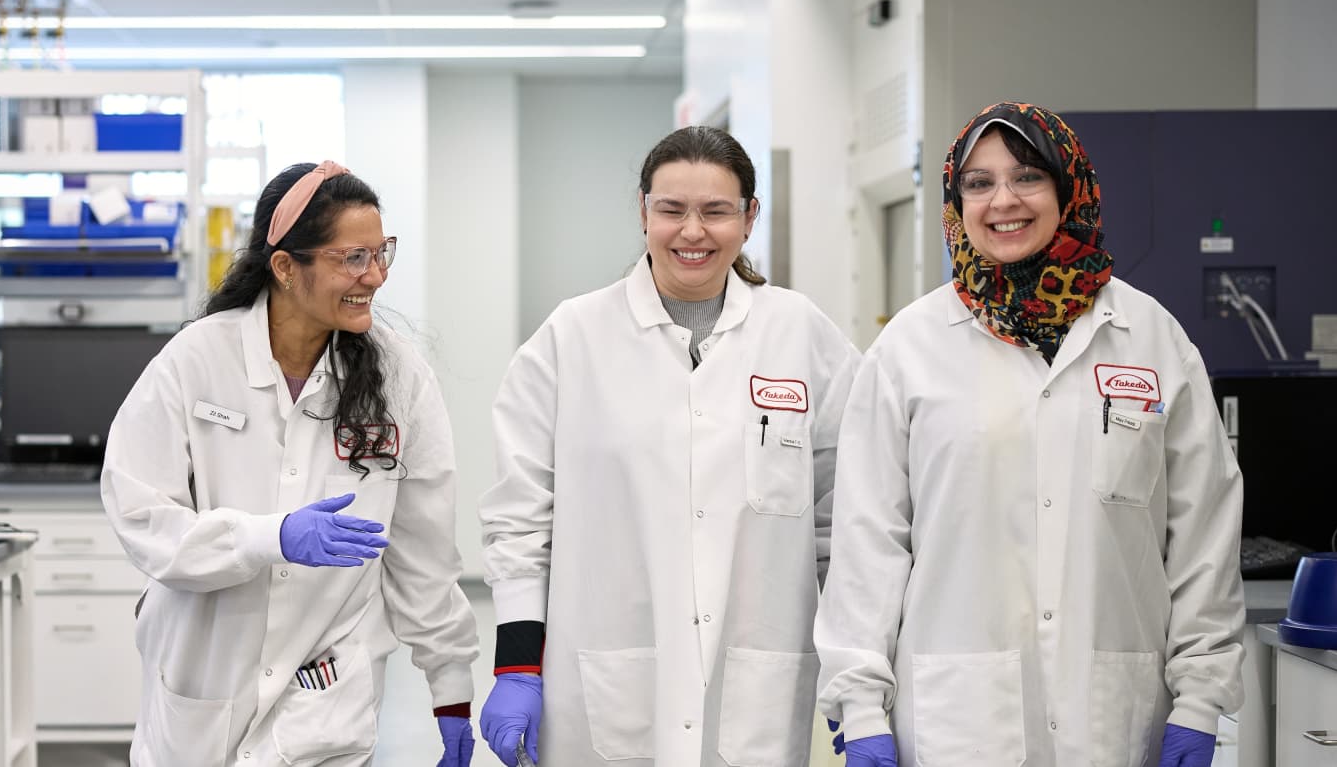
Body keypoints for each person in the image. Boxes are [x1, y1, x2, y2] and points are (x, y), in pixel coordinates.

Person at [815, 102, 1246, 767]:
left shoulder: (1151, 337)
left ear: (1069, 188)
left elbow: (1202, 533)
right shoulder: (908, 348)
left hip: (1113, 716)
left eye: (1027, 177)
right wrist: (861, 701)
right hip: (955, 722)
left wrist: (1199, 695)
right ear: (957, 202)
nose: (1003, 201)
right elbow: (869, 541)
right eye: (979, 183)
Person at [478, 126, 859, 766]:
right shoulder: (572, 338)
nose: (692, 232)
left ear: (749, 217)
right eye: (671, 210)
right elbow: (518, 521)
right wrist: (517, 663)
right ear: (643, 211)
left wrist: (859, 671)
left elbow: (845, 520)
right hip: (604, 671)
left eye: (715, 211)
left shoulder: (803, 335)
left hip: (757, 678)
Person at [101, 161, 480, 767]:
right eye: (353, 258)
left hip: (326, 700)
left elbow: (423, 550)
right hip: (204, 678)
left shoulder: (399, 377)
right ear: (284, 267)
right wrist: (264, 537)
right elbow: (141, 515)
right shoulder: (197, 360)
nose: (376, 276)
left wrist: (452, 685)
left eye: (382, 253)